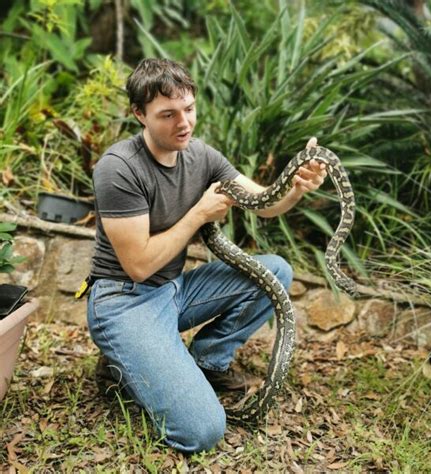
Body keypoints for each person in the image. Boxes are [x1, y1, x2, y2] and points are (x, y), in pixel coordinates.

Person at [86, 58, 327, 453]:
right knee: (203, 431)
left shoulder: (200, 156)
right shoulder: (119, 168)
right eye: (168, 114)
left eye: (190, 109)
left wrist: (297, 186)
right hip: (124, 300)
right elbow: (140, 265)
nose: (184, 123)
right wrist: (198, 213)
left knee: (276, 272)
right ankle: (124, 365)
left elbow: (263, 202)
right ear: (139, 115)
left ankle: (208, 363)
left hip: (174, 290)